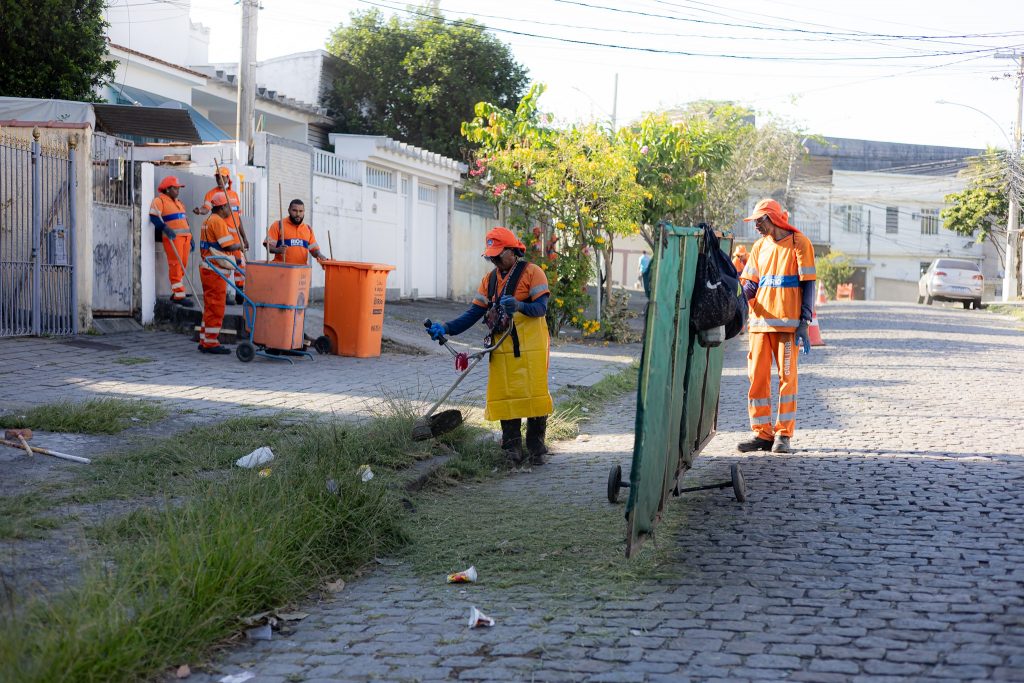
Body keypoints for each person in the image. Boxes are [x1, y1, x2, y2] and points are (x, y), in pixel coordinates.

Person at [425, 227, 553, 466]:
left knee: (533, 392)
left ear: (513, 251)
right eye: (491, 255)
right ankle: (512, 447)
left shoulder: (533, 273)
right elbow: (474, 312)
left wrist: (519, 306)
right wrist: (446, 327)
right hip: (503, 345)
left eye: (498, 253)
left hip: (532, 345)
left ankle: (536, 446)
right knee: (506, 394)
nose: (494, 259)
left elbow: (541, 309)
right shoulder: (490, 280)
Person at [736, 198, 815, 454]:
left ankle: (783, 435)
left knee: (786, 380)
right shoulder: (759, 247)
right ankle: (762, 434)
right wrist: (735, 300)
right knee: (757, 379)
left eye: (760, 221)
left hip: (787, 326)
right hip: (759, 324)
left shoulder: (799, 243)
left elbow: (808, 284)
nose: (756, 226)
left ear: (772, 218)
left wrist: (804, 321)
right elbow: (750, 285)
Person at [194, 166, 248, 304]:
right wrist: (200, 211)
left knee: (240, 266)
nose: (219, 179)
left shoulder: (234, 195)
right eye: (217, 176)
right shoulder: (211, 194)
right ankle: (222, 295)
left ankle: (239, 293)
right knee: (222, 266)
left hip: (235, 240)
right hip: (222, 239)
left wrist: (244, 237)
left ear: (227, 178)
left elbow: (238, 218)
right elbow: (206, 209)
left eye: (222, 177)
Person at [197, 192, 242, 355]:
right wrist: (240, 246)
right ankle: (211, 342)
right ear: (222, 207)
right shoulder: (218, 221)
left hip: (208, 268)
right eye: (228, 207)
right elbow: (227, 246)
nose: (230, 210)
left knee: (209, 306)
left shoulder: (207, 221)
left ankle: (205, 339)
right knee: (216, 307)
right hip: (215, 270)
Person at [149, 176, 193, 306]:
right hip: (173, 238)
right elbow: (153, 217)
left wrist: (191, 238)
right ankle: (179, 294)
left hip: (185, 238)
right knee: (175, 264)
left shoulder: (179, 202)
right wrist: (165, 228)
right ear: (167, 189)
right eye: (175, 188)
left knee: (182, 265)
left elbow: (185, 221)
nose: (178, 190)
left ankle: (177, 292)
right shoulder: (159, 201)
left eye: (178, 188)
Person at [264, 199, 327, 265]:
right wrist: (277, 250)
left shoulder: (308, 229)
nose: (298, 214)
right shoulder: (278, 225)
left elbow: (314, 250)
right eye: (294, 210)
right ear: (289, 210)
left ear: (304, 212)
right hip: (282, 270)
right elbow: (268, 246)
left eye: (301, 211)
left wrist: (319, 255)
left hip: (301, 271)